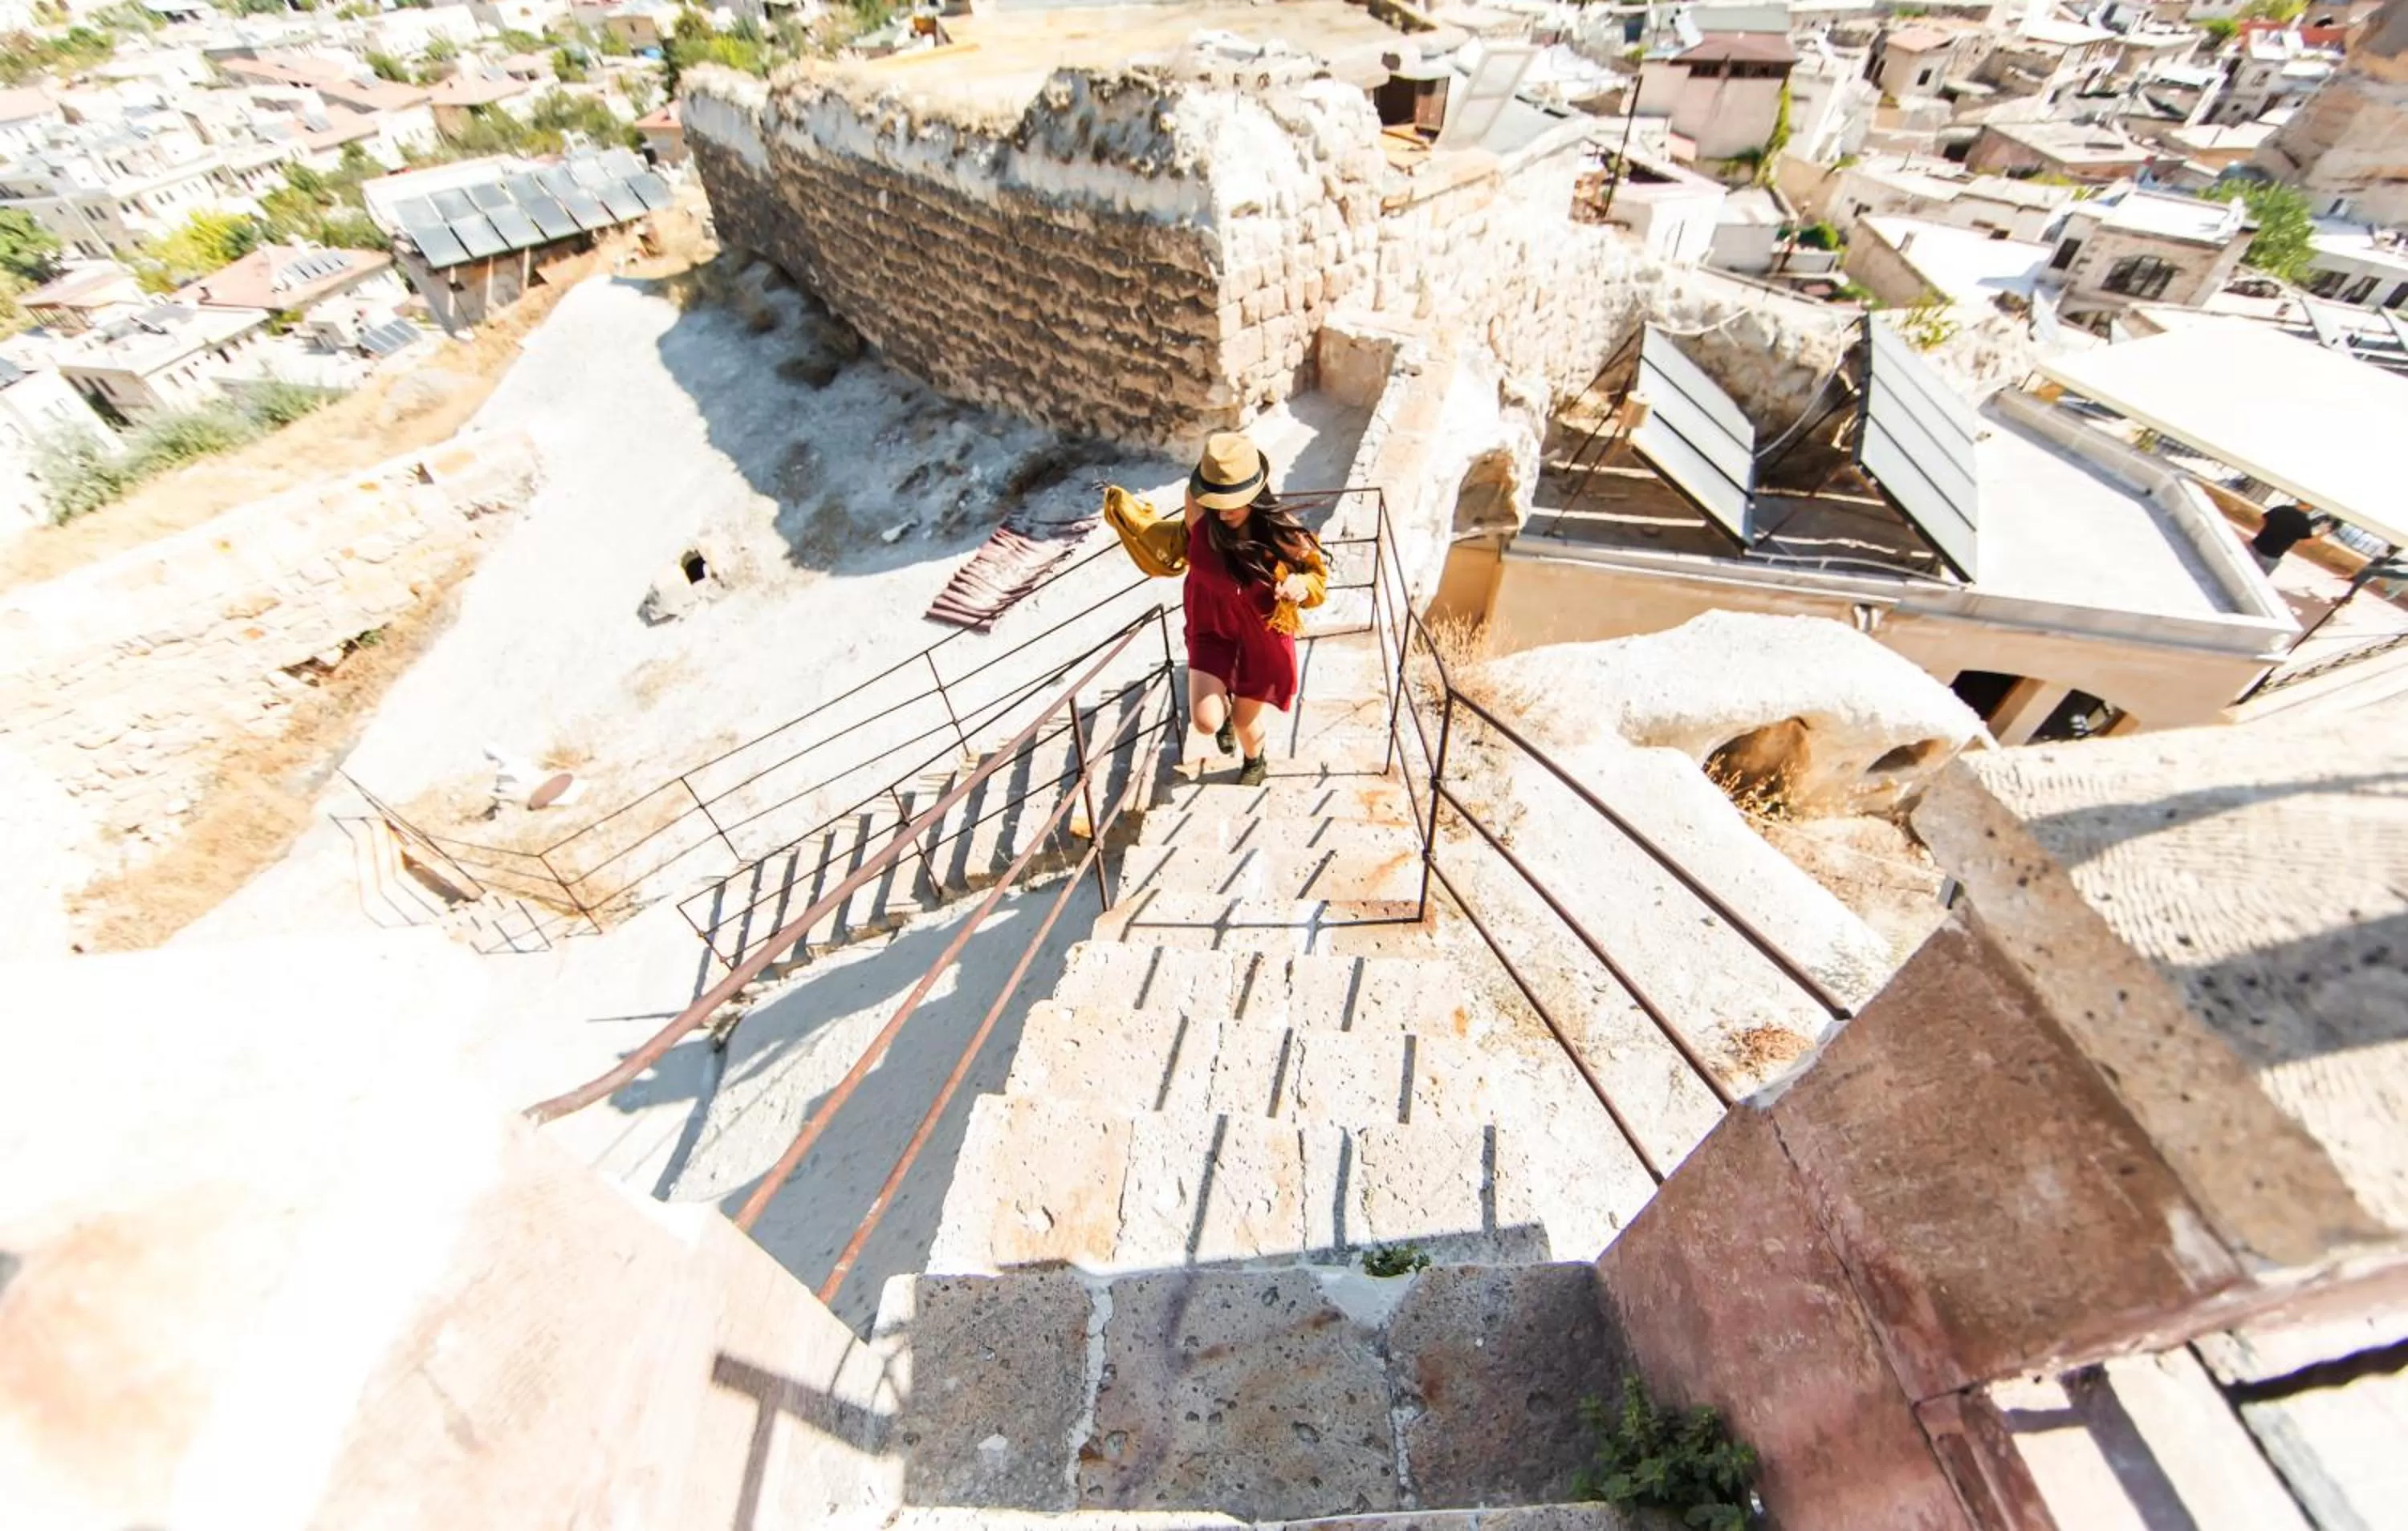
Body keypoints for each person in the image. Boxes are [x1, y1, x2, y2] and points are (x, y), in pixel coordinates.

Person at [1104, 432, 1327, 786]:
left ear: (1256, 493)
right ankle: (1222, 708)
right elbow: (1169, 537)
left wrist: (1302, 587)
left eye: (1233, 500)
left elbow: (1317, 577)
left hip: (1262, 635)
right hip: (1212, 625)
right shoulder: (1199, 513)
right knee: (1205, 721)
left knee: (1244, 721)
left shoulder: (1283, 535)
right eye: (1217, 499)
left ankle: (1256, 760)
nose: (1224, 511)